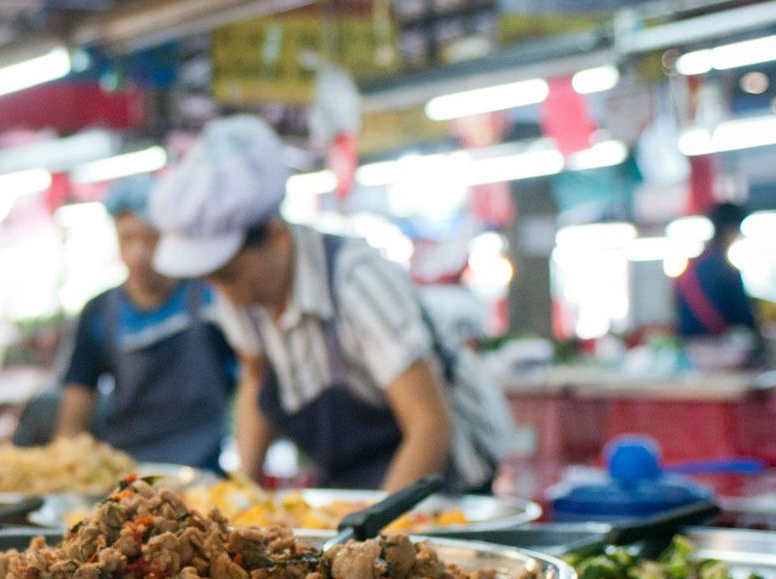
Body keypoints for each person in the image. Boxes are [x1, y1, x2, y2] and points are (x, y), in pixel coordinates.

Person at [148, 115, 511, 492]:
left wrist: (371, 541)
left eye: (229, 275)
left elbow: (429, 425)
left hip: (443, 475)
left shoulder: (357, 281)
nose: (224, 293)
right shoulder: (243, 295)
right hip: (353, 478)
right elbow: (255, 381)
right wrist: (241, 495)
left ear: (276, 237)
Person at [52, 175, 235, 469]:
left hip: (202, 472)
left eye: (150, 238)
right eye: (127, 238)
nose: (138, 253)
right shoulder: (98, 312)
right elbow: (76, 406)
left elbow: (253, 380)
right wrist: (68, 472)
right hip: (127, 473)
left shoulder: (210, 300)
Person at [674, 202, 757, 339]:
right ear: (731, 230)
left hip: (692, 349)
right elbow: (744, 317)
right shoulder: (726, 270)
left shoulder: (691, 268)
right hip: (724, 350)